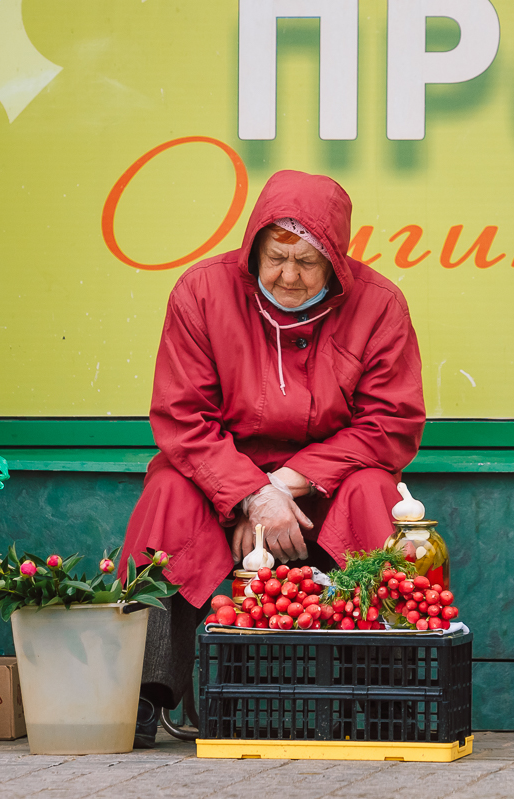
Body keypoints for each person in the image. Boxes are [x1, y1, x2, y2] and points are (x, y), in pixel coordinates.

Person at [119, 169, 425, 746]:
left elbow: (391, 424)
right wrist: (249, 496)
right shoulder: (201, 292)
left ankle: (390, 700)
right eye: (275, 258)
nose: (288, 276)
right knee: (166, 495)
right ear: (253, 249)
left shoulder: (379, 305)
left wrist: (289, 481)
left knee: (375, 494)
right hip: (221, 486)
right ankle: (141, 693)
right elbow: (182, 417)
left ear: (335, 260)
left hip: (325, 490)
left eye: (307, 262)